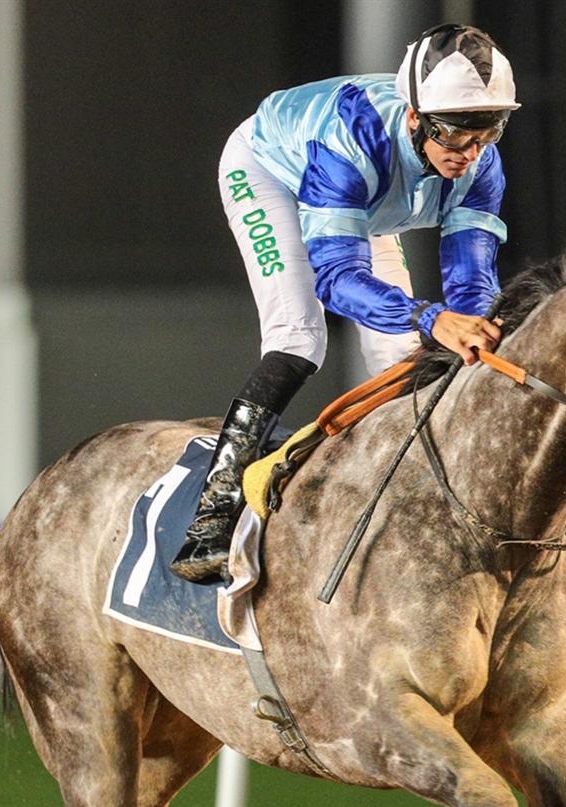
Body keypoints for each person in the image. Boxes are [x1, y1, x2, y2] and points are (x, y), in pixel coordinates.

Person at [170, 23, 519, 583]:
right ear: (416, 118)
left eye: (488, 130)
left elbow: (471, 285)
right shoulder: (351, 141)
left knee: (403, 358)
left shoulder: (481, 164)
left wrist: (469, 326)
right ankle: (211, 515)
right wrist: (433, 317)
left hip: (365, 197)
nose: (470, 152)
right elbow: (336, 279)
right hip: (275, 172)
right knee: (299, 337)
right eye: (455, 133)